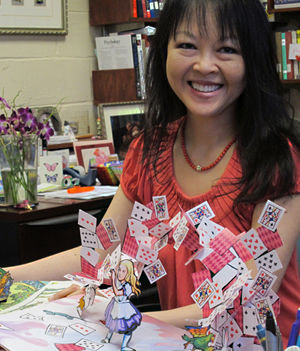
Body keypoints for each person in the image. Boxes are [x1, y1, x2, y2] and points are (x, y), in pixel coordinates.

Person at [7, 0, 300, 348]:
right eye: (188, 45)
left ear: (252, 61)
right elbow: (100, 249)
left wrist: (125, 316)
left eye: (227, 49)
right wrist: (8, 275)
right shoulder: (149, 151)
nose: (205, 65)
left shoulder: (277, 160)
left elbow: (246, 295)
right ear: (163, 52)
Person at [101, 259, 142, 351]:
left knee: (129, 327)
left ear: (128, 273)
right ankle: (108, 338)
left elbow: (117, 292)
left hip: (124, 308)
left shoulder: (128, 286)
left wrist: (113, 279)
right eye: (119, 270)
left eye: (123, 271)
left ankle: (124, 346)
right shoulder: (118, 281)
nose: (120, 273)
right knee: (112, 322)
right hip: (115, 305)